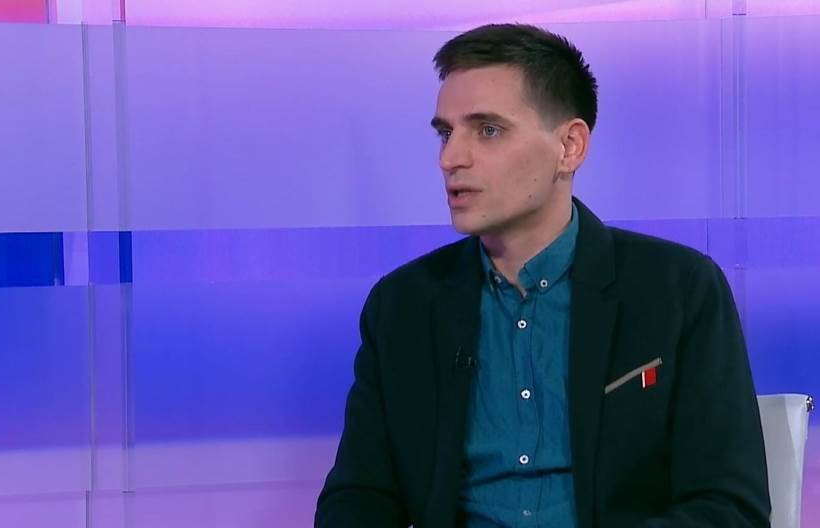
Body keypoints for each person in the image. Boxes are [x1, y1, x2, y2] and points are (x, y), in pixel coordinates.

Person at [315, 23, 770, 528]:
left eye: (488, 130)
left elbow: (729, 507)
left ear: (569, 146)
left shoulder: (677, 290)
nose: (450, 159)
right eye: (446, 132)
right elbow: (358, 499)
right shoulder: (403, 305)